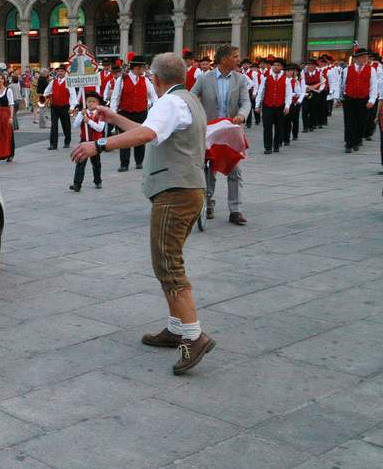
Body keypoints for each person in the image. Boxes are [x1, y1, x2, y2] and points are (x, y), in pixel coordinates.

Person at [71, 52, 214, 373]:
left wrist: (100, 145)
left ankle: (193, 337)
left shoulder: (168, 102)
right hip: (188, 188)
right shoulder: (186, 100)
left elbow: (149, 134)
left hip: (175, 192)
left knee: (168, 263)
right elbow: (152, 130)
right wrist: (115, 117)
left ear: (155, 78)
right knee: (170, 259)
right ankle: (177, 328)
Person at [192, 44, 251, 225]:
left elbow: (245, 102)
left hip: (231, 131)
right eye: (234, 56)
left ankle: (235, 209)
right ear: (224, 59)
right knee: (208, 169)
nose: (237, 59)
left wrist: (241, 115)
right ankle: (207, 204)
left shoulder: (240, 80)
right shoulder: (204, 79)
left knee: (235, 169)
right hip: (210, 131)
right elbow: (191, 98)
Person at [110, 57, 158, 171]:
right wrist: (113, 114)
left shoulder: (145, 80)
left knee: (140, 138)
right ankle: (124, 164)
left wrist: (155, 107)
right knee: (124, 139)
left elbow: (153, 95)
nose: (145, 70)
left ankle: (139, 162)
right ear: (136, 68)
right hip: (125, 112)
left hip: (141, 113)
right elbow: (115, 97)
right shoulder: (121, 80)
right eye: (143, 68)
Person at [342, 47, 378, 153]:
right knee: (349, 121)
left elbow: (373, 86)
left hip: (363, 98)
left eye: (366, 57)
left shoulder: (371, 70)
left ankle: (357, 141)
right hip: (349, 98)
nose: (365, 59)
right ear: (356, 58)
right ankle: (349, 143)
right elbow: (343, 85)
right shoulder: (346, 69)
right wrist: (340, 97)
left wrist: (372, 100)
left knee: (361, 121)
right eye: (362, 57)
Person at [70, 91, 106, 192]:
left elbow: (100, 128)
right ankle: (77, 184)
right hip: (84, 140)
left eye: (93, 101)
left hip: (96, 142)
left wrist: (89, 121)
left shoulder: (100, 114)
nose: (91, 103)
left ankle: (98, 180)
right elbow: (75, 125)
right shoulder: (83, 113)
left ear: (98, 103)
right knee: (80, 162)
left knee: (96, 163)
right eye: (89, 101)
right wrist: (81, 116)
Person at [254, 58, 289, 155]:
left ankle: (276, 145)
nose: (276, 66)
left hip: (280, 106)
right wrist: (257, 105)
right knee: (267, 127)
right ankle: (268, 147)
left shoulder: (286, 79)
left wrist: (287, 106)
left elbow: (288, 94)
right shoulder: (266, 78)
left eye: (278, 65)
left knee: (279, 127)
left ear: (281, 67)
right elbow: (260, 92)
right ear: (271, 66)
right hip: (267, 105)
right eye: (274, 65)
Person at [46, 67, 73, 150]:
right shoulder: (53, 82)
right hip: (54, 106)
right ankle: (53, 144)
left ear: (65, 72)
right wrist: (48, 96)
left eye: (62, 71)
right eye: (58, 71)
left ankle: (67, 141)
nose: (60, 73)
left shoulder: (69, 81)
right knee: (54, 125)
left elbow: (73, 95)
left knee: (66, 125)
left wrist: (72, 107)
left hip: (65, 106)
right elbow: (46, 91)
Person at [300, 59, 325, 134]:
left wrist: (319, 90)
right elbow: (302, 82)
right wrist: (308, 87)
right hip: (306, 93)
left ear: (315, 66)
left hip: (315, 93)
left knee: (313, 110)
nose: (309, 66)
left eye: (311, 65)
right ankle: (305, 127)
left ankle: (311, 125)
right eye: (308, 65)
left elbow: (323, 82)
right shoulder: (303, 72)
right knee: (305, 110)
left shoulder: (319, 72)